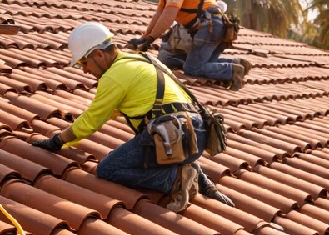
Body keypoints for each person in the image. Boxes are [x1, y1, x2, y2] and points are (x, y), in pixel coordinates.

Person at [32, 22, 232, 212]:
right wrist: (72, 136)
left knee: (108, 170)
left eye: (84, 63)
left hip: (174, 135)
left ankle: (176, 178)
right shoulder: (143, 59)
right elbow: (106, 114)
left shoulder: (114, 76)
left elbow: (90, 121)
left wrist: (57, 141)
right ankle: (194, 171)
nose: (85, 70)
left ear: (99, 54)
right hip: (196, 135)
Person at [128, 0, 251, 90]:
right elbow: (159, 15)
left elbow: (168, 17)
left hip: (210, 26)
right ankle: (237, 63)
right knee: (205, 63)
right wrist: (144, 37)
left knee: (192, 68)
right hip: (214, 25)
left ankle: (233, 71)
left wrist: (151, 39)